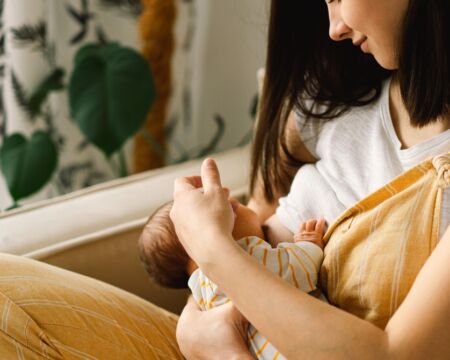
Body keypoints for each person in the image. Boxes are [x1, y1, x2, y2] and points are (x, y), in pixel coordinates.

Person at [170, 0, 450, 358]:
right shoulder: (330, 101)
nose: (334, 29)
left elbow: (393, 354)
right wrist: (192, 325)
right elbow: (252, 225)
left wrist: (210, 248)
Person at [138, 199, 326, 359]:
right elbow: (299, 269)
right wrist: (307, 245)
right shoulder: (244, 255)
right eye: (231, 208)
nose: (230, 200)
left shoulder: (204, 299)